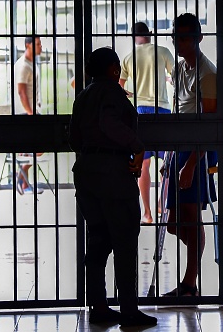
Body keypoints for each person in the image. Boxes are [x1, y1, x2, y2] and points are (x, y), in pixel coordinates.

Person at [68, 47, 157, 327]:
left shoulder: (83, 96)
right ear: (114, 70)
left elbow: (73, 139)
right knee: (124, 241)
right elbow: (109, 122)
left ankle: (99, 307)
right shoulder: (111, 92)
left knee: (98, 240)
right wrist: (137, 146)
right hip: (113, 176)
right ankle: (129, 310)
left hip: (86, 173)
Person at [163, 13, 218, 296]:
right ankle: (192, 273)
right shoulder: (180, 68)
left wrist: (192, 164)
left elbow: (208, 125)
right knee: (173, 223)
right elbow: (177, 111)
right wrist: (170, 156)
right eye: (175, 37)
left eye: (184, 37)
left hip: (196, 152)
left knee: (191, 217)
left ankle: (189, 283)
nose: (178, 42)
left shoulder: (208, 74)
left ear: (199, 38)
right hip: (179, 148)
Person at [119, 21, 174, 224]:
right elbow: (177, 76)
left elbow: (119, 88)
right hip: (163, 109)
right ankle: (162, 203)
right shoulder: (163, 51)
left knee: (143, 162)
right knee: (167, 162)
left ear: (134, 37)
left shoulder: (128, 58)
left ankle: (147, 213)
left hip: (140, 110)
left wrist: (130, 94)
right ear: (150, 34)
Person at [14, 36, 44, 194]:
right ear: (28, 45)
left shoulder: (30, 64)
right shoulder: (24, 66)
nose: (41, 47)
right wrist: (30, 114)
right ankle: (21, 178)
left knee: (36, 148)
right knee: (38, 146)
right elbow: (21, 91)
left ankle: (22, 179)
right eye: (38, 44)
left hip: (30, 112)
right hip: (26, 114)